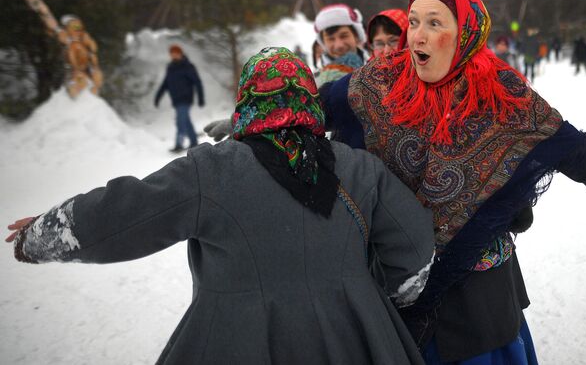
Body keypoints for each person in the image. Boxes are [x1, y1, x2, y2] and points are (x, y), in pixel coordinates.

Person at [205, 0, 586, 364]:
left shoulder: (509, 103)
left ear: (467, 31)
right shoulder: (378, 83)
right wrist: (253, 127)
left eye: (435, 23)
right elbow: (307, 111)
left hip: (478, 301)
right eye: (414, 22)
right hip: (389, 286)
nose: (417, 36)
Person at [7, 48, 435, 365]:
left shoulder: (210, 171)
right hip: (357, 337)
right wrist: (379, 298)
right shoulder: (360, 168)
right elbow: (414, 250)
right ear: (308, 98)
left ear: (247, 101)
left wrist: (45, 233)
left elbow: (126, 214)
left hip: (236, 338)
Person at [155, 45, 204, 152]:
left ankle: (179, 144)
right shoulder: (170, 68)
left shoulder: (188, 66)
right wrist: (158, 97)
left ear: (181, 53)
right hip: (176, 100)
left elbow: (197, 82)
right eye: (172, 53)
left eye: (176, 53)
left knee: (180, 121)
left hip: (185, 98)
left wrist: (201, 98)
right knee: (186, 121)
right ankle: (194, 142)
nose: (174, 55)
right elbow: (165, 84)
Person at [313, 4, 369, 87]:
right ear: (323, 43)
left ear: (356, 36)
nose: (339, 45)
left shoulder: (376, 72)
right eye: (331, 39)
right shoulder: (313, 84)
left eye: (344, 36)